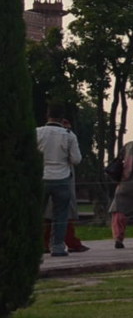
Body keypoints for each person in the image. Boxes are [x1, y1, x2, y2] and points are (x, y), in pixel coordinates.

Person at [37, 107, 85, 257]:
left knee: (37, 213)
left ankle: (36, 244)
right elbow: (76, 159)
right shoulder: (68, 135)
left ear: (47, 115)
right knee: (61, 215)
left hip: (42, 176)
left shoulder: (38, 132)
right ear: (62, 118)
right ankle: (57, 246)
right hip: (62, 177)